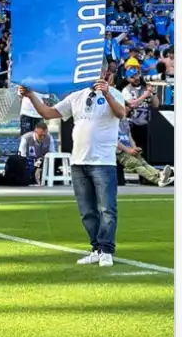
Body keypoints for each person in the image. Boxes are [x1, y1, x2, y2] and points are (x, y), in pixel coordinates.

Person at [20, 77, 126, 267]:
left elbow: (121, 113)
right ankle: (96, 248)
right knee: (87, 211)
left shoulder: (114, 93)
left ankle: (107, 250)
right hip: (78, 161)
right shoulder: (76, 96)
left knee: (107, 208)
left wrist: (107, 94)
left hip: (103, 161)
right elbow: (48, 112)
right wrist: (31, 95)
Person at [116, 118, 174, 187]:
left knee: (143, 163)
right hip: (120, 152)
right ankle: (157, 180)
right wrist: (127, 150)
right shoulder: (110, 123)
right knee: (136, 165)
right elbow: (114, 141)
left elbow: (129, 135)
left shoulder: (124, 121)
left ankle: (159, 174)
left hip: (129, 148)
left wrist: (134, 147)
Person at [17, 120, 55, 184]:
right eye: (40, 135)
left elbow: (52, 153)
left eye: (44, 135)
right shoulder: (26, 138)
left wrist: (43, 160)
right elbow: (21, 154)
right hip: (29, 161)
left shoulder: (49, 138)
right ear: (35, 132)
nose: (42, 137)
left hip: (43, 161)